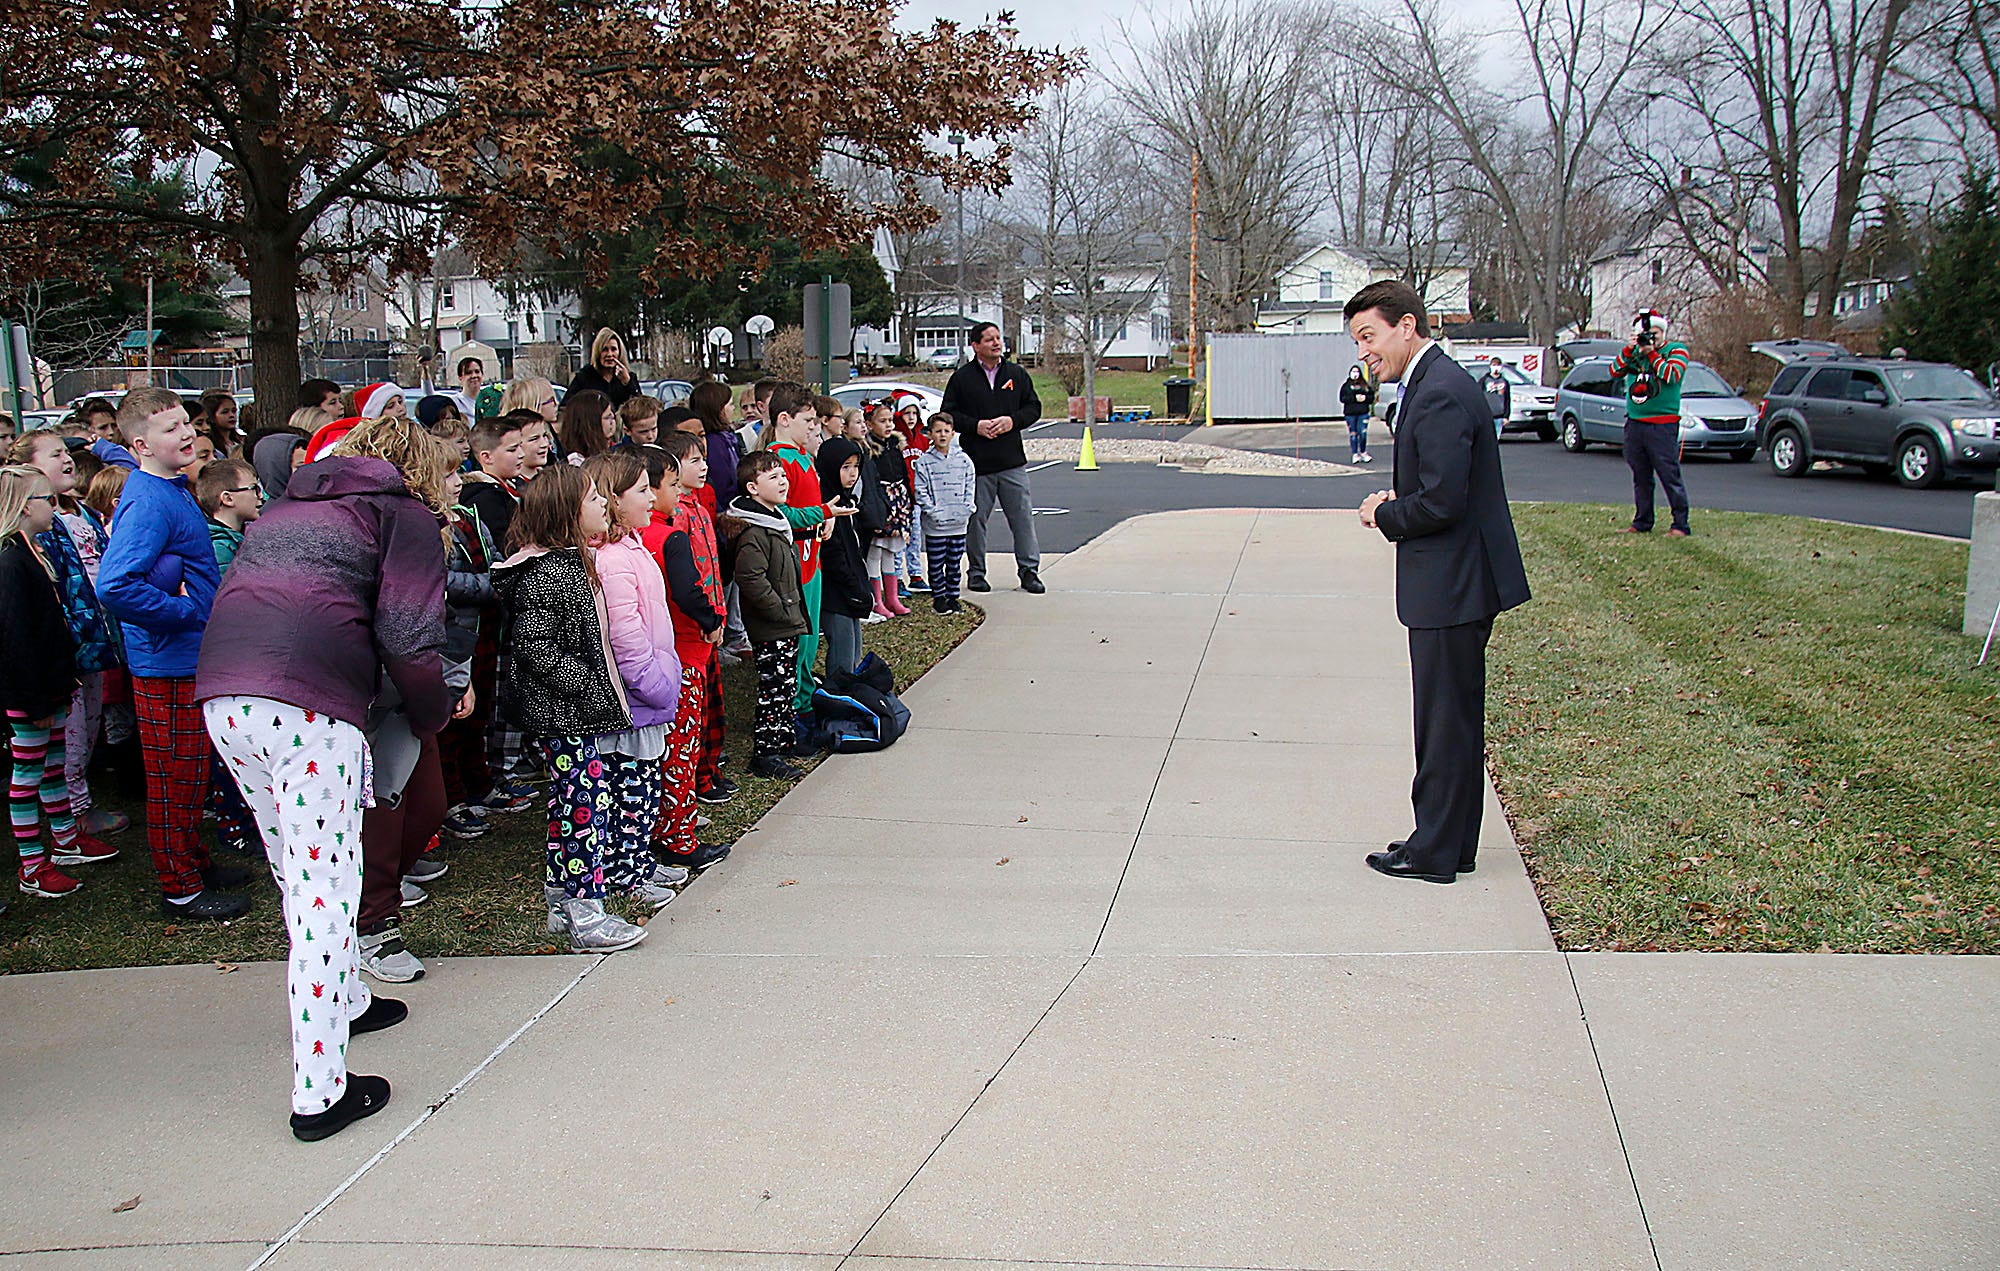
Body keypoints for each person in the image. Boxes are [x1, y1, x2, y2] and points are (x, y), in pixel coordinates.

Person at [197, 411, 449, 1142]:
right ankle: (320, 1089)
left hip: (226, 695)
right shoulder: (400, 514)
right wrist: (432, 710)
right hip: (308, 705)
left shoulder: (287, 508)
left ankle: (341, 1004)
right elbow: (409, 634)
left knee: (295, 869)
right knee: (324, 896)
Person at [1348, 280, 1530, 885]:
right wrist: (1406, 498)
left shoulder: (1440, 394)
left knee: (1444, 720)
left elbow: (1444, 502)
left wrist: (1385, 513)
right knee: (1450, 717)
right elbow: (1445, 486)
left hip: (1454, 583)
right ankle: (1449, 843)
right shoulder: (1435, 384)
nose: (1364, 353)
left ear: (1407, 325)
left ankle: (1434, 852)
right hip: (1455, 579)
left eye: (1369, 337)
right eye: (1357, 342)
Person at [96, 388, 253, 920]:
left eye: (186, 423)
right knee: (174, 780)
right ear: (140, 443)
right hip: (166, 665)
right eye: (169, 429)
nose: (186, 434)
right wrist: (188, 613)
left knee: (192, 775)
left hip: (188, 658)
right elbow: (116, 586)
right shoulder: (148, 499)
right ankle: (181, 887)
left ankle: (195, 862)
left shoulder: (173, 489)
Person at [491, 464, 648, 953]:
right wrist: (590, 685)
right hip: (567, 714)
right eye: (593, 499)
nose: (604, 504)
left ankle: (562, 897)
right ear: (565, 514)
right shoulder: (546, 574)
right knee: (587, 808)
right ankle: (587, 910)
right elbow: (536, 647)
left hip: (575, 712)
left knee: (571, 806)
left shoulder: (569, 564)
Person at [580, 448, 686, 910]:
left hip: (646, 692)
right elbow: (624, 637)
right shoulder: (611, 559)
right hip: (633, 697)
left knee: (643, 785)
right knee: (629, 791)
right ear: (613, 499)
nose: (651, 496)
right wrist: (656, 682)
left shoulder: (630, 547)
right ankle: (628, 874)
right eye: (641, 489)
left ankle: (639, 861)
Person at [12, 430, 128, 838]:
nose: (68, 460)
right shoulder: (32, 533)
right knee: (69, 736)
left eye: (67, 452)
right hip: (66, 652)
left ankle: (75, 806)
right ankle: (72, 814)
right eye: (56, 453)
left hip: (93, 638)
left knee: (88, 728)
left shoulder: (76, 513)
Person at [0, 464, 108, 901]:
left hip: (54, 684)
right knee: (27, 775)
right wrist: (36, 698)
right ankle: (31, 864)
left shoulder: (34, 550)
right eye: (47, 500)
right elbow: (15, 639)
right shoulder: (10, 562)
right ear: (26, 507)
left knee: (53, 768)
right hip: (30, 694)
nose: (54, 507)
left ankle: (66, 841)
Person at [641, 436, 731, 869]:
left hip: (644, 659)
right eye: (670, 484)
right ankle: (678, 837)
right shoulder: (666, 538)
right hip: (684, 654)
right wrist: (712, 621)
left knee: (649, 754)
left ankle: (656, 828)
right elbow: (689, 592)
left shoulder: (623, 540)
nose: (678, 493)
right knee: (680, 749)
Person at [763, 382, 858, 717]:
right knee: (798, 640)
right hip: (793, 563)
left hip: (812, 558)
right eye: (809, 422)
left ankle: (803, 702)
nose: (814, 429)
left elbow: (809, 503)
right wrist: (823, 513)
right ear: (785, 419)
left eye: (817, 422)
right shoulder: (777, 461)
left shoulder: (803, 457)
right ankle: (794, 710)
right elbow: (779, 513)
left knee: (811, 637)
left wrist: (823, 516)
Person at [723, 452, 810, 782]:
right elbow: (751, 579)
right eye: (773, 478)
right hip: (771, 624)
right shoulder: (754, 531)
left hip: (784, 621)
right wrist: (780, 609)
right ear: (752, 488)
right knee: (774, 689)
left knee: (786, 684)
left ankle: (784, 740)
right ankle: (766, 753)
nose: (783, 481)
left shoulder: (774, 520)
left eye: (783, 476)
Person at [941, 321, 1044, 594]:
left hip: (1012, 463)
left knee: (1022, 519)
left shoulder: (1016, 374)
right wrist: (976, 426)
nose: (996, 343)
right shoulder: (962, 378)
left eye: (998, 338)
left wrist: (1012, 421)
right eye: (989, 339)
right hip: (977, 464)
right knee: (976, 522)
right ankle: (976, 572)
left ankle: (1029, 571)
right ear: (975, 346)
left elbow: (1034, 407)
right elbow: (948, 415)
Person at [1608, 308, 1693, 537]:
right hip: (1635, 422)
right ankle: (1642, 521)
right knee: (1640, 475)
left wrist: (1652, 354)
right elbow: (1614, 371)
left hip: (1662, 423)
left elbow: (1672, 375)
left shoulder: (1676, 350)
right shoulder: (1634, 353)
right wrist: (1630, 349)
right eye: (1645, 335)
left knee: (1669, 473)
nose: (1649, 339)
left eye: (1654, 334)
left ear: (1662, 332)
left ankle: (1680, 524)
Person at [813, 437, 875, 678]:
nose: (853, 473)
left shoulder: (848, 501)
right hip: (835, 593)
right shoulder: (827, 505)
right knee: (842, 655)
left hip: (851, 591)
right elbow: (833, 555)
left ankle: (848, 699)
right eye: (845, 467)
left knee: (853, 652)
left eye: (856, 466)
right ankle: (837, 703)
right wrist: (853, 587)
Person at [914, 413, 975, 614]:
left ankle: (953, 596)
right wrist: (932, 511)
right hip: (936, 525)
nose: (942, 435)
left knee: (954, 563)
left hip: (958, 523)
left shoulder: (964, 460)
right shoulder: (924, 462)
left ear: (953, 433)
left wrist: (967, 508)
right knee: (936, 563)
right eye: (938, 431)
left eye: (946, 431)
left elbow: (970, 486)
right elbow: (920, 490)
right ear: (930, 434)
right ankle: (939, 597)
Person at [862, 406, 912, 619]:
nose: (888, 425)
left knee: (891, 550)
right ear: (870, 424)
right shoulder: (869, 448)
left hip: (897, 499)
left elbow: (902, 470)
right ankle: (877, 600)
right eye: (882, 421)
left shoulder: (894, 444)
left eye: (890, 420)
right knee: (875, 550)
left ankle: (892, 598)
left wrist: (908, 496)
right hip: (881, 500)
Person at [463, 415, 527, 550]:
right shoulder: (485, 500)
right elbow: (506, 547)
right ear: (487, 457)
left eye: (521, 446)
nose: (521, 454)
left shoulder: (520, 485)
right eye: (512, 449)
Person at [196, 457, 262, 572]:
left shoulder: (243, 535)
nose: (260, 496)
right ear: (228, 498)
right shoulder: (219, 548)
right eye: (254, 488)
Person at [567, 329, 640, 406]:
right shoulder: (583, 378)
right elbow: (566, 407)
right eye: (604, 350)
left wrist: (628, 383)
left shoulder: (629, 378)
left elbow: (641, 410)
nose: (609, 354)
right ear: (598, 352)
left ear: (620, 352)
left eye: (613, 349)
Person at [556, 388, 616, 464]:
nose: (612, 422)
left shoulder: (615, 450)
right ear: (590, 423)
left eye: (613, 417)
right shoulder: (575, 463)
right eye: (607, 418)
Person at [252, 431, 309, 502]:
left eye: (310, 464)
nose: (309, 470)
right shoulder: (272, 511)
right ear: (277, 471)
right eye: (300, 467)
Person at [1340, 365, 1375, 464]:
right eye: (1353, 372)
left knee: (1362, 433)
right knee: (1353, 434)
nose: (1355, 374)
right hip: (1350, 414)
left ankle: (1363, 452)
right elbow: (1343, 398)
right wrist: (1354, 398)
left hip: (1363, 413)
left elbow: (1371, 398)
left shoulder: (1365, 386)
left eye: (1357, 372)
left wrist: (1365, 398)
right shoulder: (1346, 386)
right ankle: (1355, 454)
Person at [1482, 359, 1512, 440]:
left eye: (1498, 365)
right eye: (1494, 365)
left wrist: (1506, 416)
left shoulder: (1504, 382)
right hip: (1487, 415)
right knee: (1487, 438)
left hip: (1499, 415)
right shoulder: (1484, 380)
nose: (1496, 368)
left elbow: (1507, 399)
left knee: (1496, 438)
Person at [447, 356, 485, 421]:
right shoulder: (454, 402)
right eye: (468, 373)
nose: (474, 376)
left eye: (477, 371)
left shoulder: (491, 400)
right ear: (460, 378)